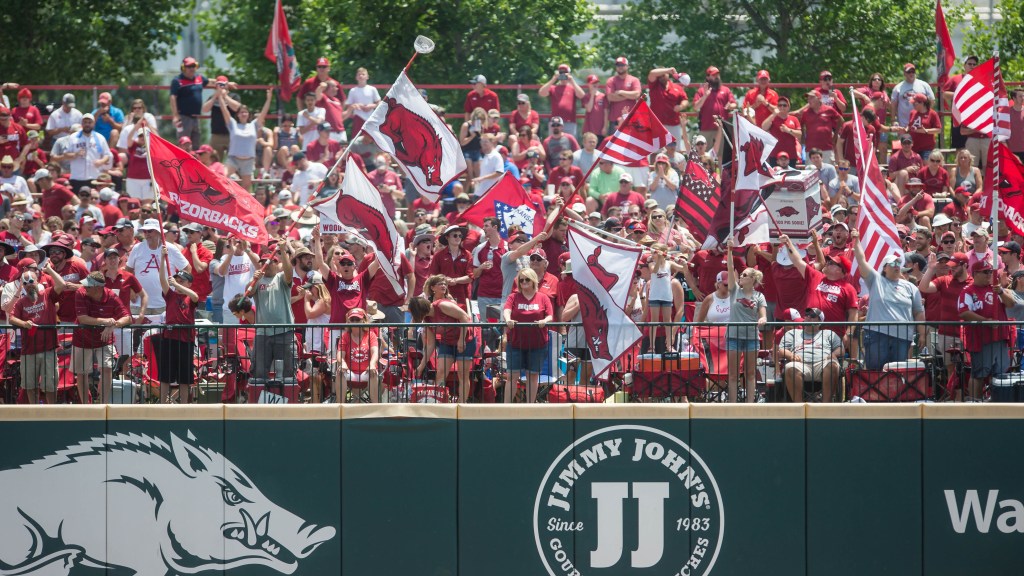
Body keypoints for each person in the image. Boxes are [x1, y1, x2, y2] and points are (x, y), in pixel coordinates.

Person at [852, 229, 927, 370]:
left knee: (898, 375)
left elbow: (918, 312)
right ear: (884, 268)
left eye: (898, 264)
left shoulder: (911, 287)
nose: (896, 266)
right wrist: (856, 242)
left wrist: (922, 334)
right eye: (892, 264)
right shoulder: (875, 280)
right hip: (877, 334)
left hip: (903, 336)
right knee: (875, 373)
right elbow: (861, 261)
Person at [9, 261, 66, 404]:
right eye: (25, 282)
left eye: (31, 281)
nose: (29, 284)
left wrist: (49, 271)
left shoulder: (47, 294)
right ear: (23, 285)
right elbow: (11, 318)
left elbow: (62, 285)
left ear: (37, 281)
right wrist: (24, 324)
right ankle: (34, 413)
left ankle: (52, 415)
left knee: (50, 386)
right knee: (30, 385)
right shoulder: (21, 302)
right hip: (29, 351)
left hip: (49, 349)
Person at [74, 271, 131, 403]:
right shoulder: (80, 293)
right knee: (82, 373)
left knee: (107, 369)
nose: (84, 287)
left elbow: (127, 318)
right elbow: (82, 319)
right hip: (82, 339)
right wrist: (106, 321)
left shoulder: (111, 296)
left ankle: (103, 404)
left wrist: (112, 325)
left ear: (98, 287)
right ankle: (85, 406)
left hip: (104, 340)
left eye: (88, 285)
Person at [959, 259, 1011, 399]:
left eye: (990, 271)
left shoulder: (996, 289)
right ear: (975, 273)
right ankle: (975, 405)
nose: (989, 275)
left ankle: (998, 402)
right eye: (985, 272)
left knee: (1001, 374)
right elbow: (963, 312)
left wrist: (1001, 291)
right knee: (979, 374)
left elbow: (1011, 304)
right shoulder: (968, 291)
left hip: (1000, 337)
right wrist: (985, 321)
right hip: (981, 339)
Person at [418, 275, 475, 401]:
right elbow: (430, 344)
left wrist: (461, 340)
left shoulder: (446, 303)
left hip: (465, 339)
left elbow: (465, 317)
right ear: (432, 288)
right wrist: (421, 365)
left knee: (463, 375)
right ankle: (439, 402)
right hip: (447, 341)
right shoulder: (427, 310)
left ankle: (462, 405)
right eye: (440, 284)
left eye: (445, 283)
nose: (443, 286)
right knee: (440, 374)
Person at [153, 247, 199, 403]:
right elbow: (162, 280)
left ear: (189, 283)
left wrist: (177, 286)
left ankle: (184, 404)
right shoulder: (170, 296)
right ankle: (163, 402)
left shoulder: (189, 297)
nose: (178, 283)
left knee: (185, 376)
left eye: (182, 281)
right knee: (165, 374)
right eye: (177, 280)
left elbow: (195, 296)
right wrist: (162, 258)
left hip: (186, 339)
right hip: (170, 337)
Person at [724, 237, 766, 402]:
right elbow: (730, 267)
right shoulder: (734, 290)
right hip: (733, 336)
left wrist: (762, 319)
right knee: (733, 374)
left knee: (750, 373)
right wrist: (729, 251)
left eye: (745, 275)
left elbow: (763, 314)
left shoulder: (759, 296)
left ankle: (750, 405)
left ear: (753, 280)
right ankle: (733, 404)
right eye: (741, 274)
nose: (741, 276)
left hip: (751, 338)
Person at [250, 241, 296, 390]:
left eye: (270, 261)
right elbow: (248, 293)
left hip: (284, 332)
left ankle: (287, 400)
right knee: (259, 372)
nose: (267, 264)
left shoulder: (281, 278)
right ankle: (260, 403)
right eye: (263, 262)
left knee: (287, 373)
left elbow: (289, 275)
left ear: (277, 264)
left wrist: (283, 251)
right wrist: (253, 279)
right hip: (263, 333)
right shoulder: (257, 280)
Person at [503, 268, 554, 403]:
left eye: (527, 279)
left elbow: (550, 315)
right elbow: (507, 310)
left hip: (538, 344)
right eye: (521, 280)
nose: (524, 282)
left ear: (533, 281)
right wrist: (508, 319)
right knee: (512, 376)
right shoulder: (513, 297)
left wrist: (544, 321)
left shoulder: (543, 297)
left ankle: (530, 407)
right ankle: (505, 409)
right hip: (515, 343)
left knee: (533, 376)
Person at [125, 219, 190, 324]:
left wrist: (177, 287)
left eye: (150, 231)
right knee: (136, 337)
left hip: (164, 303)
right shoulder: (137, 248)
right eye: (145, 231)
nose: (146, 234)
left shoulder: (171, 249)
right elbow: (127, 271)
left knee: (161, 338)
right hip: (139, 304)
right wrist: (131, 289)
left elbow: (187, 269)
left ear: (159, 232)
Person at [778, 307, 843, 402]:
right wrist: (791, 356)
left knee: (833, 365)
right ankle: (798, 407)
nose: (808, 317)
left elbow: (841, 348)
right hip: (800, 363)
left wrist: (834, 354)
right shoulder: (793, 333)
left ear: (820, 321)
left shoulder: (828, 333)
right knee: (790, 367)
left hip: (823, 363)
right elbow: (782, 350)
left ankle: (826, 406)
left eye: (812, 316)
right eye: (807, 315)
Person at [217, 88, 272, 191]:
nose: (243, 114)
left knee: (246, 187)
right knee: (223, 176)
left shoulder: (253, 125)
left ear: (248, 114)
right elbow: (224, 111)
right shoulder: (233, 124)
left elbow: (264, 113)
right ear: (238, 115)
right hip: (233, 159)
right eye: (241, 112)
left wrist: (268, 99)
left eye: (245, 112)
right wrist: (220, 96)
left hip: (248, 160)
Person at [337, 307, 381, 403]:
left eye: (357, 319)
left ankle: (375, 407)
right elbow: (340, 355)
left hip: (367, 371)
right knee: (340, 372)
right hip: (350, 371)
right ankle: (340, 407)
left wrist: (372, 363)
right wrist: (343, 363)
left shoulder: (370, 335)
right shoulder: (345, 336)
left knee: (373, 373)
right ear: (349, 321)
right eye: (352, 320)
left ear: (363, 320)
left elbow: (375, 352)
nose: (355, 322)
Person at [169, 57, 208, 144]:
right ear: (183, 68)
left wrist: (224, 83)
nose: (192, 68)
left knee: (196, 144)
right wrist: (175, 115)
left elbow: (210, 82)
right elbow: (172, 97)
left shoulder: (199, 78)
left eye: (193, 66)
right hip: (183, 117)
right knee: (184, 143)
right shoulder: (177, 80)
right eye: (189, 66)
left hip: (196, 118)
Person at [539, 64, 585, 137]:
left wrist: (572, 80)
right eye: (561, 73)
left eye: (565, 73)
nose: (563, 76)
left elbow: (582, 95)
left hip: (570, 122)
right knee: (554, 143)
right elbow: (541, 93)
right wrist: (553, 79)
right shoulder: (553, 88)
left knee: (570, 144)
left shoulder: (572, 88)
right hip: (555, 123)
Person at [606, 57, 642, 133]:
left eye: (622, 65)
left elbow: (636, 94)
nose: (620, 67)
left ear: (627, 66)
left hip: (631, 119)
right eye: (618, 65)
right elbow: (610, 97)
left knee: (631, 144)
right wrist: (628, 96)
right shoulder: (611, 80)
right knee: (614, 144)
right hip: (614, 120)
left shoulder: (634, 80)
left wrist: (621, 92)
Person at [345, 67, 381, 136]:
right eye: (359, 74)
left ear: (367, 77)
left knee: (371, 138)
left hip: (370, 117)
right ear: (356, 77)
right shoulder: (353, 91)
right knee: (356, 139)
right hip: (358, 117)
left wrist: (371, 106)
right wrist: (357, 105)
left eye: (363, 74)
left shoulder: (372, 89)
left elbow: (379, 102)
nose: (361, 76)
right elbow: (348, 105)